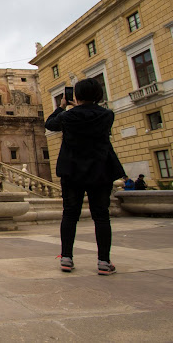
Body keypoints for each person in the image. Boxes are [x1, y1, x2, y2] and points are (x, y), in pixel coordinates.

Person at [45, 78, 125, 276]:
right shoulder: (107, 115)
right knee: (101, 216)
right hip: (100, 169)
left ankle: (66, 258)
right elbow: (91, 116)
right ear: (99, 95)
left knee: (70, 214)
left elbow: (50, 124)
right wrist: (80, 106)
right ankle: (104, 262)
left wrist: (63, 107)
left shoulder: (68, 117)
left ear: (76, 96)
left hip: (72, 170)